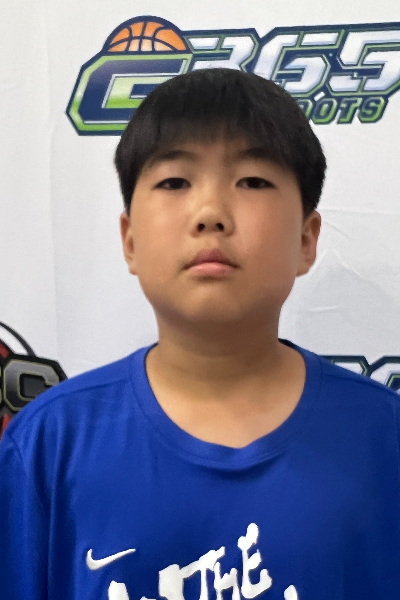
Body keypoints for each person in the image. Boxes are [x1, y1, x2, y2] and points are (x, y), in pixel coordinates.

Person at [0, 68, 399, 600]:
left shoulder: (384, 437)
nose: (211, 213)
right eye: (175, 182)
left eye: (252, 181)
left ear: (307, 239)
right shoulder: (50, 443)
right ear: (130, 241)